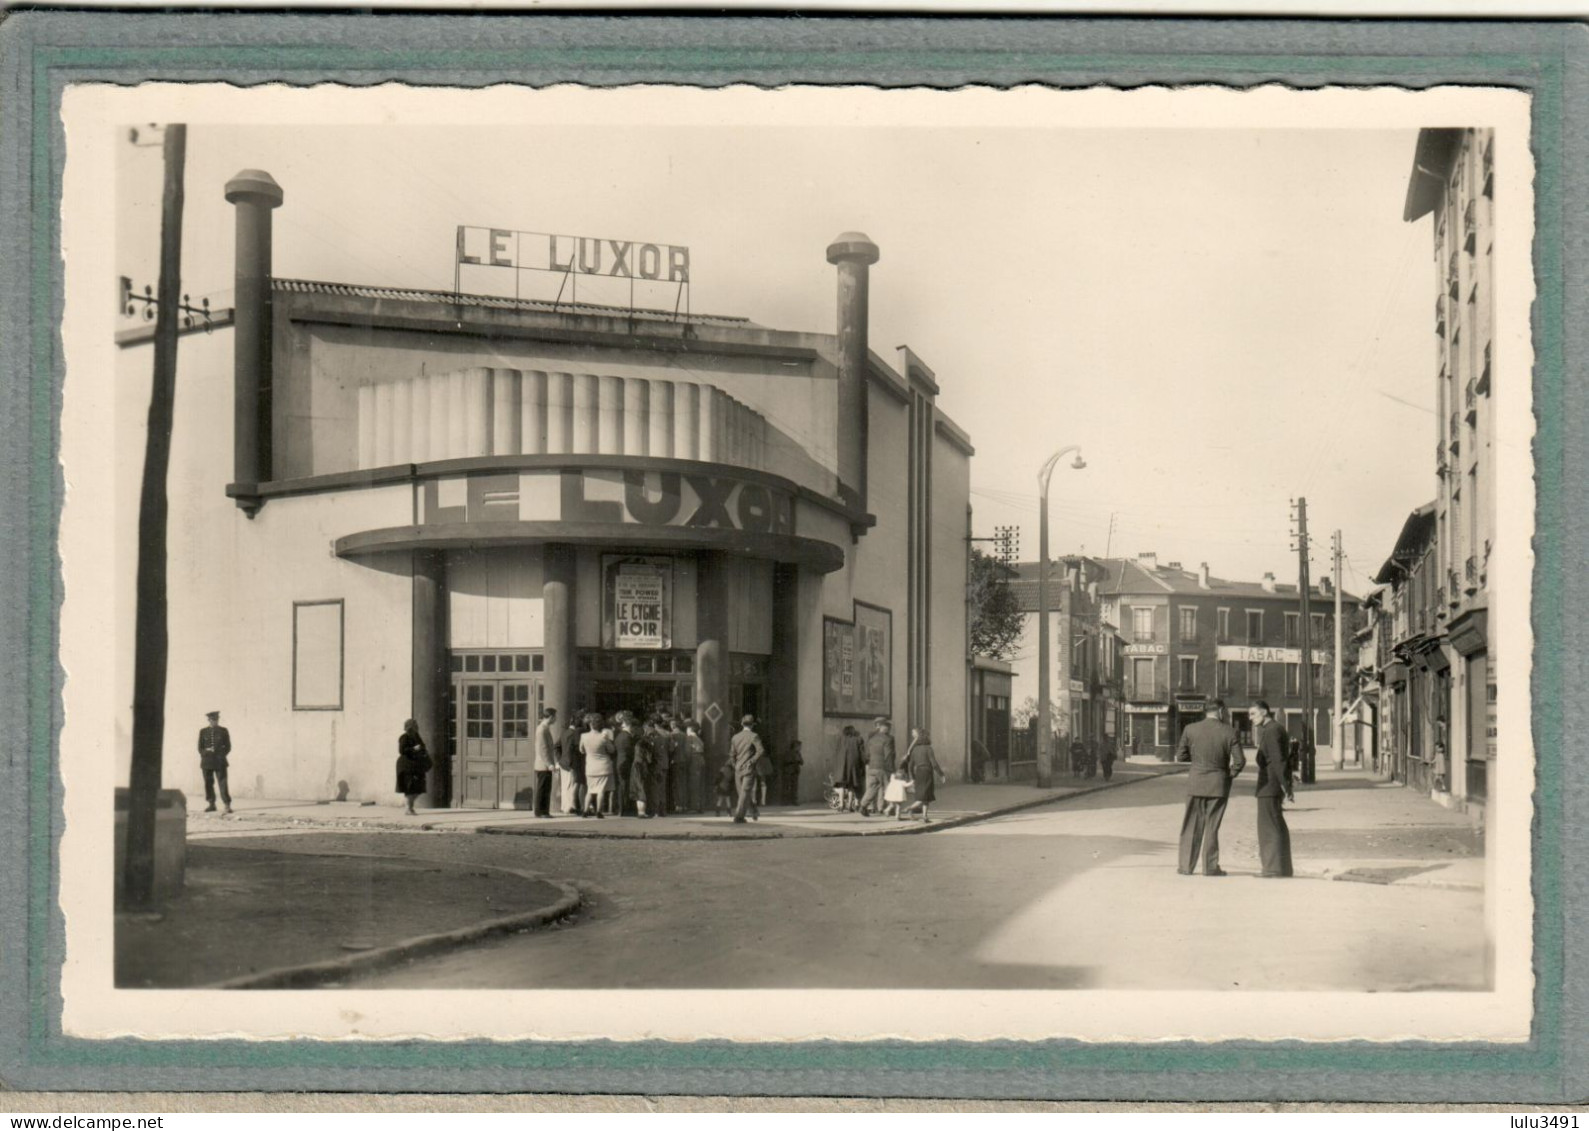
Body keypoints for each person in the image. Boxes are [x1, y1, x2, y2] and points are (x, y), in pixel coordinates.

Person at [1175, 699, 1246, 876]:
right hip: (1218, 784)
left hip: (1196, 782)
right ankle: (1210, 867)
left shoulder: (1190, 729)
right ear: (1221, 711)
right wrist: (1229, 775)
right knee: (1212, 826)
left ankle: (1186, 866)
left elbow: (1180, 756)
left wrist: (1198, 760)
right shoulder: (1229, 732)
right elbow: (1240, 761)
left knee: (1191, 825)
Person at [1252, 700, 1295, 878]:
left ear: (1264, 712)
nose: (1250, 718)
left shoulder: (1271, 731)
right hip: (1273, 785)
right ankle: (1282, 868)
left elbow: (1278, 761)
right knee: (1277, 825)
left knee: (1268, 828)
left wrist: (1286, 785)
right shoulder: (1274, 729)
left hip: (1269, 785)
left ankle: (1272, 868)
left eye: (1253, 713)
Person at [900, 727, 948, 822]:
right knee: (924, 796)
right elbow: (934, 763)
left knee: (925, 796)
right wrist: (941, 774)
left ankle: (925, 816)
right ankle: (909, 808)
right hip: (927, 773)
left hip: (918, 772)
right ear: (926, 738)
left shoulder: (915, 750)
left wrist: (912, 777)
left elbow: (910, 766)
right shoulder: (928, 749)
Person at [729, 714, 764, 823]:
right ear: (752, 725)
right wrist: (752, 761)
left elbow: (732, 754)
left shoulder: (735, 737)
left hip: (738, 768)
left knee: (742, 792)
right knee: (745, 792)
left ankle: (739, 816)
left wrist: (735, 764)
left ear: (741, 724)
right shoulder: (754, 736)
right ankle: (751, 812)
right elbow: (761, 751)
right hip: (749, 768)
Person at [858, 717, 896, 817]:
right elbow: (889, 755)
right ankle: (889, 808)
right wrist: (892, 770)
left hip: (871, 767)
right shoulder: (888, 739)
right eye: (888, 726)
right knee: (889, 788)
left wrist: (869, 763)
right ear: (885, 727)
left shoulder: (872, 739)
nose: (889, 728)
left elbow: (866, 754)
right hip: (883, 767)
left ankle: (863, 806)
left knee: (872, 788)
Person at [197, 710, 233, 814]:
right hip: (207, 761)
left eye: (216, 719)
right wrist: (206, 752)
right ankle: (211, 804)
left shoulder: (224, 731)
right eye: (212, 719)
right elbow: (200, 748)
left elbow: (228, 747)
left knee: (223, 783)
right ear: (208, 720)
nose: (214, 721)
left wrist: (221, 755)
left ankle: (227, 805)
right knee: (208, 783)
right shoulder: (203, 731)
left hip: (219, 761)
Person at [580, 713, 615, 819]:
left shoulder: (584, 736)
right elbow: (612, 750)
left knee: (590, 790)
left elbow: (581, 750)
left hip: (590, 766)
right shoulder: (603, 737)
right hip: (603, 766)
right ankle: (599, 811)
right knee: (601, 790)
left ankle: (585, 811)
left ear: (590, 724)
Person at [395, 718, 431, 815]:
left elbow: (422, 746)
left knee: (418, 788)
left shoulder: (416, 736)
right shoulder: (404, 737)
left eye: (416, 725)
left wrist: (423, 751)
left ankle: (409, 807)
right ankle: (409, 808)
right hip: (406, 766)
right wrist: (413, 749)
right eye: (415, 725)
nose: (417, 727)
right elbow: (402, 751)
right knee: (409, 788)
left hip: (416, 765)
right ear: (410, 727)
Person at [532, 707, 559, 818]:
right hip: (543, 765)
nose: (556, 719)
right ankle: (540, 811)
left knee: (546, 788)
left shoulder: (545, 728)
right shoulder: (542, 729)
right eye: (555, 717)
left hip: (545, 764)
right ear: (551, 717)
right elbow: (543, 749)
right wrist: (550, 764)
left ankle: (544, 811)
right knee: (542, 789)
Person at [558, 711, 586, 816]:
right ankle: (571, 806)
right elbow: (578, 749)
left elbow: (557, 746)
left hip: (563, 762)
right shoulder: (576, 734)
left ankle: (565, 806)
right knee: (572, 784)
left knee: (565, 785)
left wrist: (560, 758)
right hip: (571, 763)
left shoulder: (564, 732)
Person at [835, 724, 866, 811]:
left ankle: (841, 804)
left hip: (841, 765)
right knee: (852, 785)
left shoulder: (840, 739)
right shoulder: (858, 739)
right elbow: (862, 753)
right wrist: (864, 763)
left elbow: (837, 751)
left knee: (842, 784)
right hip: (854, 765)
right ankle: (850, 805)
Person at [683, 720, 707, 813]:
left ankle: (693, 807)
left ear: (689, 728)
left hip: (694, 761)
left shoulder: (689, 738)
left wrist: (687, 763)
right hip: (701, 759)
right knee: (700, 784)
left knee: (694, 784)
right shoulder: (698, 738)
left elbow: (687, 752)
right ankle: (700, 805)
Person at [781, 739, 804, 805]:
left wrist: (798, 760)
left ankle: (794, 801)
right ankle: (785, 801)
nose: (800, 748)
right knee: (787, 786)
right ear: (795, 746)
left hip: (795, 772)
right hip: (789, 772)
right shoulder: (789, 753)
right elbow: (786, 761)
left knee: (794, 787)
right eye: (799, 746)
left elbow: (802, 762)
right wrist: (794, 760)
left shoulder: (798, 754)